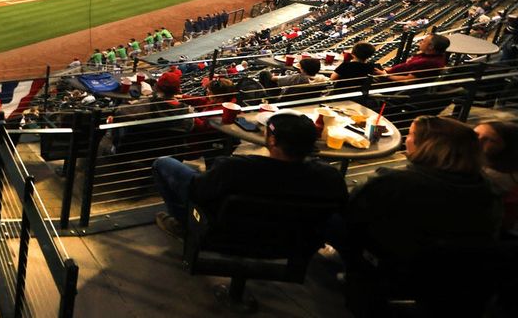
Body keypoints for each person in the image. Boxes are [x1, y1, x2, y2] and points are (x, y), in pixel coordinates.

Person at [152, 112, 347, 240]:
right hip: (289, 242)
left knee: (164, 163)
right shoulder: (330, 178)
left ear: (272, 140)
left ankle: (183, 225)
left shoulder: (234, 168)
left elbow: (197, 193)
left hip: (224, 234)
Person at [340, 117, 500, 265]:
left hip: (389, 259)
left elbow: (352, 212)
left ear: (426, 145)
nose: (405, 139)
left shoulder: (393, 181)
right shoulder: (485, 187)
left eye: (410, 134)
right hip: (453, 269)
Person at [476, 120, 518, 233]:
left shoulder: (492, 177)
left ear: (508, 147)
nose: (477, 141)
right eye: (475, 135)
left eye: (490, 140)